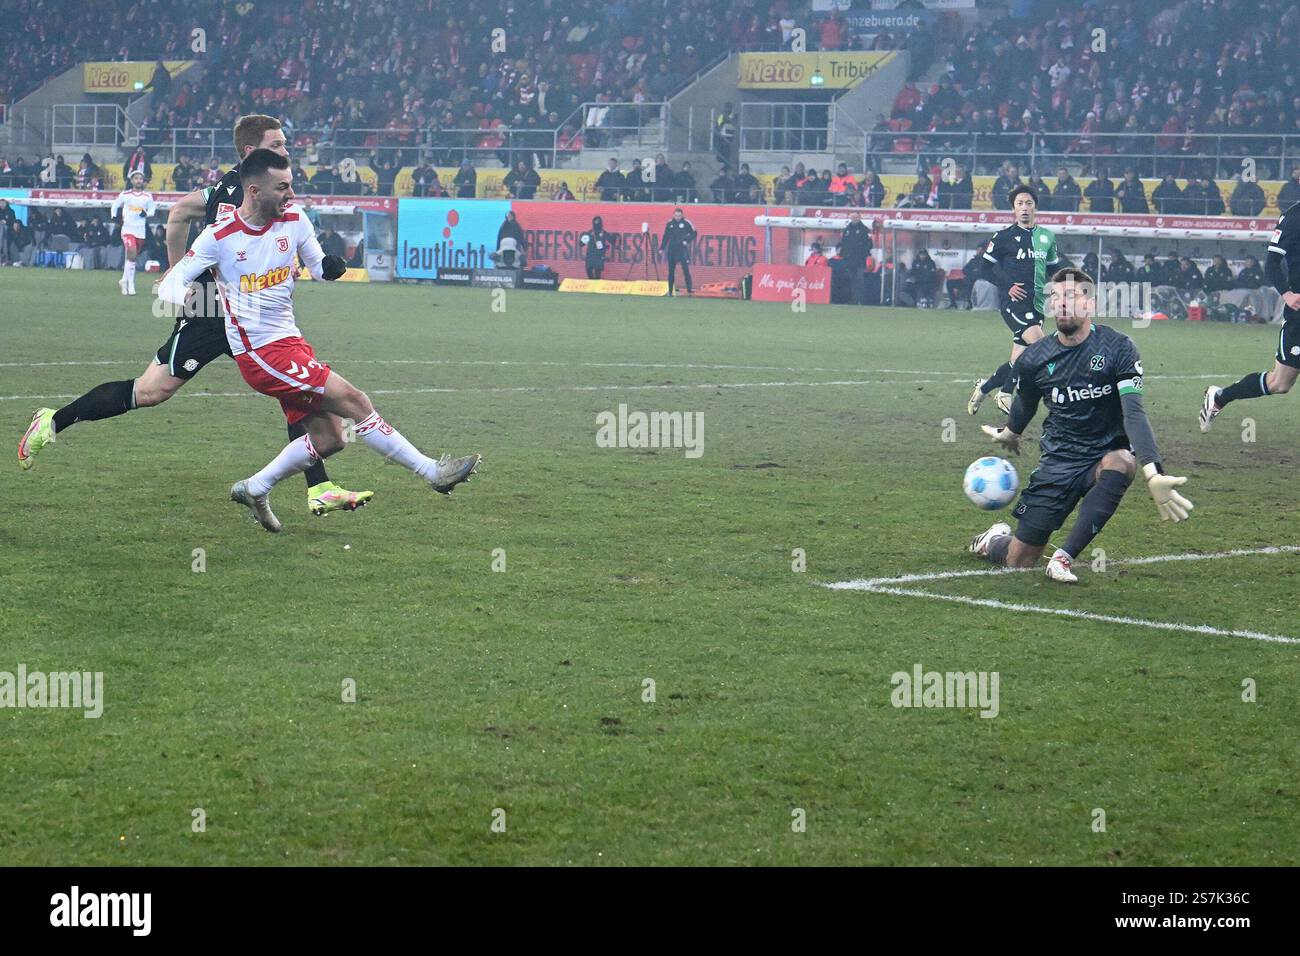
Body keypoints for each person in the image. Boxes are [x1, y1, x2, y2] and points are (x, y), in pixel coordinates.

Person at [18, 114, 371, 517]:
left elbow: (184, 214)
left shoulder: (246, 189)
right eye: (278, 145)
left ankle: (319, 486)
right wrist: (178, 274)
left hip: (252, 316)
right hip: (210, 312)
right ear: (251, 152)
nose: (286, 152)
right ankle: (53, 421)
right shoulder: (239, 193)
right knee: (151, 392)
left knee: (292, 388)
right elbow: (180, 217)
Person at [147, 148, 480, 533]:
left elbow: (320, 267)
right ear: (254, 191)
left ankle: (255, 487)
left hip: (291, 342)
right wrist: (183, 293)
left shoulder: (295, 219)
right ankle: (432, 472)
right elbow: (173, 280)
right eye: (282, 187)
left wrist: (332, 266)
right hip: (259, 352)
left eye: (292, 185)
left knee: (331, 438)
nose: (291, 194)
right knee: (355, 401)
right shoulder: (219, 236)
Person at [971, 267, 1193, 583]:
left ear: (1090, 305)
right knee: (1019, 561)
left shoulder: (1118, 348)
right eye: (1055, 297)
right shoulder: (1034, 358)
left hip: (1101, 455)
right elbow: (1025, 405)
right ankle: (992, 540)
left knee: (1121, 461)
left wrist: (1153, 472)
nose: (1062, 303)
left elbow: (1134, 414)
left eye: (1071, 296)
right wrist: (1011, 432)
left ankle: (1063, 558)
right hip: (1057, 462)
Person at [1200, 199, 1300, 431]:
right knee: (1280, 383)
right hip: (1298, 314)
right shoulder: (1293, 217)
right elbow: (1272, 264)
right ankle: (1220, 397)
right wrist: (1287, 294)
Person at [968, 185, 1061, 417]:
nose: (1024, 208)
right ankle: (1006, 392)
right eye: (1019, 204)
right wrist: (1008, 286)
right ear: (1013, 209)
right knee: (1041, 346)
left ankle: (985, 387)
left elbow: (1054, 270)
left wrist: (1063, 289)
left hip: (1036, 305)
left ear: (1035, 207)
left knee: (1018, 360)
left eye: (1028, 203)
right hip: (1013, 303)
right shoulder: (1003, 237)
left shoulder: (1046, 237)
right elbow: (985, 269)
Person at [109, 171, 155, 295]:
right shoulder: (125, 194)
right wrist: (114, 217)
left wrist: (146, 213)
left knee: (131, 258)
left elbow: (152, 210)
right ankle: (131, 285)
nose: (138, 180)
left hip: (140, 230)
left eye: (140, 178)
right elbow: (115, 205)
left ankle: (124, 280)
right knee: (132, 253)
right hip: (128, 229)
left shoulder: (147, 196)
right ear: (132, 180)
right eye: (136, 178)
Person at [838, 211, 872, 305]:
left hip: (860, 260)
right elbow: (843, 243)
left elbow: (869, 244)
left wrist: (863, 253)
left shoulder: (864, 229)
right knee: (851, 280)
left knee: (860, 279)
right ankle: (853, 299)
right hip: (849, 260)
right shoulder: (847, 229)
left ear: (859, 217)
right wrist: (843, 255)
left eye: (855, 217)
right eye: (852, 217)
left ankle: (861, 300)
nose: (854, 218)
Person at [661, 207, 696, 296]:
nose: (677, 217)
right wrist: (661, 248)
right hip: (672, 250)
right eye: (676, 215)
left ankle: (689, 291)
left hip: (682, 250)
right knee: (671, 271)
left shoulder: (686, 223)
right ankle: (670, 291)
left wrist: (687, 240)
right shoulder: (669, 223)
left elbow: (694, 233)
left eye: (679, 215)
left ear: (682, 215)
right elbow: (665, 236)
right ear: (673, 215)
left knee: (686, 270)